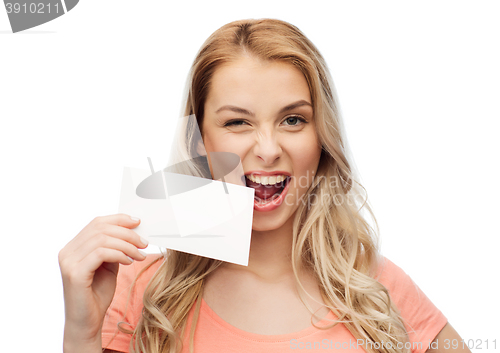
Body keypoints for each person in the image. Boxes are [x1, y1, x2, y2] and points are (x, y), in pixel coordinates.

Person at [59, 18, 470, 353]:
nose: (269, 149)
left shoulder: (375, 290)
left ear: (321, 136)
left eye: (293, 119)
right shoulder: (141, 290)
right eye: (238, 122)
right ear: (199, 141)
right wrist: (81, 333)